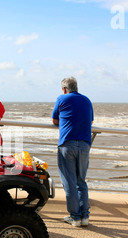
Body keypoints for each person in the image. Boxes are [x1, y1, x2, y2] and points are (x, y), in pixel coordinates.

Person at [51, 77, 94, 227]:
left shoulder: (62, 98)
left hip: (67, 143)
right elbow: (91, 122)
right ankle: (85, 216)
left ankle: (75, 217)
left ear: (64, 89)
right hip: (84, 144)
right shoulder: (87, 100)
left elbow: (54, 120)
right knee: (81, 181)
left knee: (69, 181)